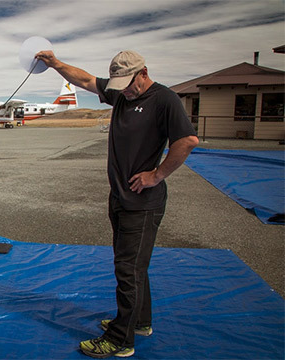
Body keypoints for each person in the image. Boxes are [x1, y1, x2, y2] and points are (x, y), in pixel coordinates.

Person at [36, 50, 199, 358]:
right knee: (135, 267)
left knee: (128, 270)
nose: (123, 89)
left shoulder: (164, 100)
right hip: (121, 198)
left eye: (128, 83)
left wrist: (157, 174)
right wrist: (55, 64)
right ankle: (139, 322)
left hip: (143, 203)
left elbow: (187, 140)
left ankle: (121, 340)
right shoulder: (122, 95)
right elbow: (84, 79)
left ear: (144, 73)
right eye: (119, 84)